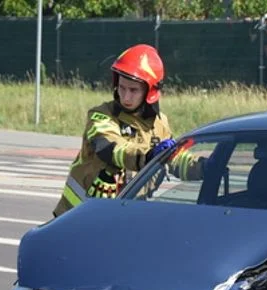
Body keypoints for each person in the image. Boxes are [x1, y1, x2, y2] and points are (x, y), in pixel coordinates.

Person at [52, 44, 203, 218]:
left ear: (150, 91)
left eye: (133, 90)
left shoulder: (160, 123)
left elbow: (175, 160)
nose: (126, 97)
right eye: (122, 88)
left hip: (124, 218)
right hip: (78, 217)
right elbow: (113, 149)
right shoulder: (101, 116)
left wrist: (205, 167)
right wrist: (148, 156)